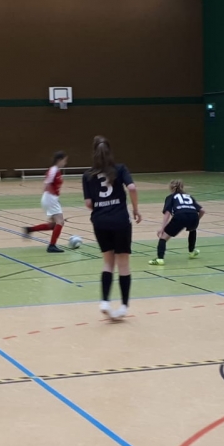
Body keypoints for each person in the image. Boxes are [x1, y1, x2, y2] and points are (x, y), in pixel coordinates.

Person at [83, 136, 141, 320]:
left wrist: (102, 206)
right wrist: (135, 209)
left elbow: (88, 203)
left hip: (100, 221)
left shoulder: (88, 175)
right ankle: (123, 305)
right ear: (110, 151)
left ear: (94, 152)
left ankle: (105, 301)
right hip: (120, 220)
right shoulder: (120, 169)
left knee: (108, 262)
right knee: (123, 263)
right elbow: (132, 188)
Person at [148, 179, 205, 266]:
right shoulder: (189, 196)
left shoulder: (170, 197)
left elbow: (167, 213)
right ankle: (191, 252)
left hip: (180, 216)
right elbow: (202, 210)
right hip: (193, 215)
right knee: (192, 229)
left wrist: (162, 228)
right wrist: (196, 220)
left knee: (163, 237)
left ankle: (160, 259)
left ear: (171, 188)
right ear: (182, 187)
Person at [23, 151, 68, 253]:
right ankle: (52, 246)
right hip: (50, 198)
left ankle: (30, 229)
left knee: (53, 225)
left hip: (51, 198)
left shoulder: (57, 170)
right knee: (60, 222)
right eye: (64, 160)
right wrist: (52, 197)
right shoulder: (53, 170)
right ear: (59, 160)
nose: (65, 163)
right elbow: (47, 184)